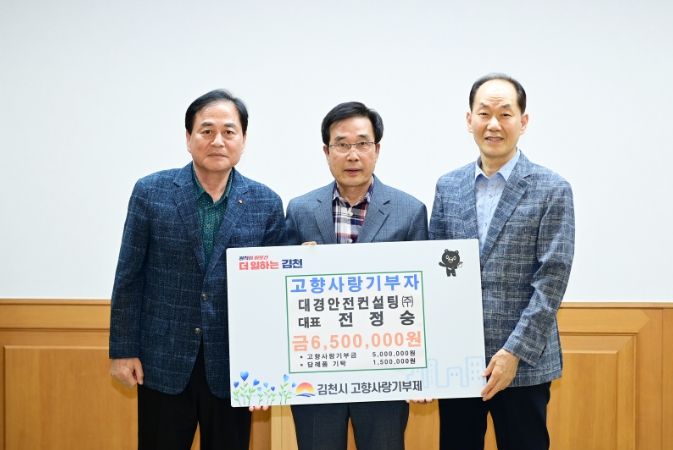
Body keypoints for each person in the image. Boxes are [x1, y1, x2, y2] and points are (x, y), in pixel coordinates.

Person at [109, 89, 286, 450]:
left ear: (243, 140)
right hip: (163, 359)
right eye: (206, 131)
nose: (217, 141)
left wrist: (267, 371)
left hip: (235, 366)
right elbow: (129, 275)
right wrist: (123, 350)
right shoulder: (150, 192)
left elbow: (270, 295)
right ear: (188, 138)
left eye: (229, 131)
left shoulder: (266, 203)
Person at [429, 74, 575, 450]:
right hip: (459, 363)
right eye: (484, 113)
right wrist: (433, 356)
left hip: (524, 364)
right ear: (469, 120)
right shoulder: (448, 187)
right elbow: (436, 274)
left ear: (522, 122)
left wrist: (514, 352)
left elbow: (552, 280)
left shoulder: (552, 189)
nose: (493, 124)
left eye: (505, 114)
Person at [285, 101, 428, 450]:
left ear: (377, 149)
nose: (352, 155)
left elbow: (424, 300)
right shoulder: (300, 210)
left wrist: (422, 374)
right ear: (326, 151)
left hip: (386, 377)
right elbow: (281, 294)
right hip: (317, 374)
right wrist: (295, 266)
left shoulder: (410, 211)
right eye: (342, 144)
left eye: (362, 143)